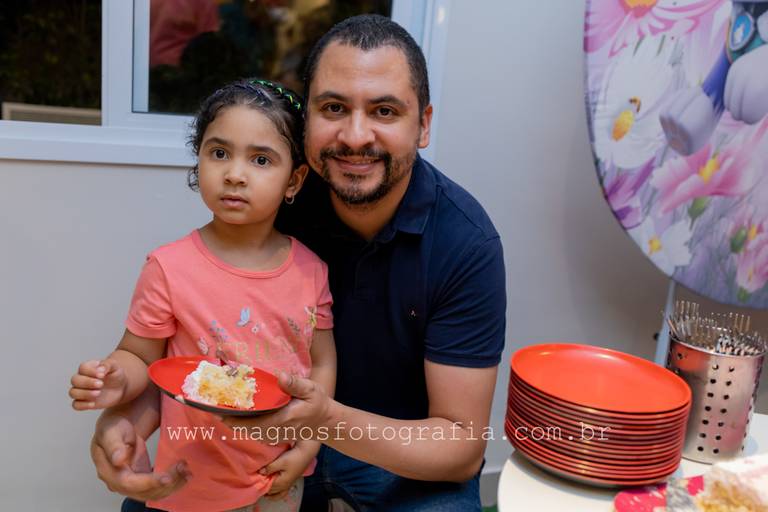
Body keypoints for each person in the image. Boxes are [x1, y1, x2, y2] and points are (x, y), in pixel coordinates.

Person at [88, 14, 506, 511]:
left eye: (385, 111)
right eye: (334, 107)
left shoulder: (465, 244)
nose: (355, 136)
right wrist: (121, 424)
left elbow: (461, 448)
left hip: (393, 446)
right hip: (255, 440)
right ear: (307, 119)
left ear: (424, 124)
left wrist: (319, 424)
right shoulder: (272, 199)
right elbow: (186, 349)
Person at [69, 78, 337, 512]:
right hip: (189, 483)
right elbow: (140, 356)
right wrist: (117, 377)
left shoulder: (312, 271)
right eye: (219, 153)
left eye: (261, 159)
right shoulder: (168, 267)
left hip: (278, 480)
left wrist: (307, 445)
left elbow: (321, 363)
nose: (234, 173)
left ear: (294, 180)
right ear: (199, 160)